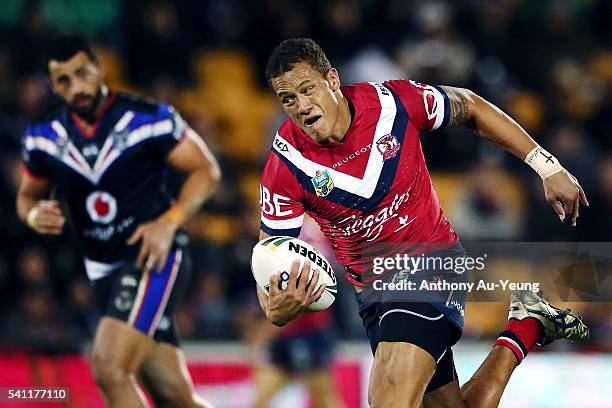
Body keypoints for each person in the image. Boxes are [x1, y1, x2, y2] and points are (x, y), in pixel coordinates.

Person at [255, 38, 590, 408]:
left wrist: (547, 166)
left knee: (389, 402)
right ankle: (527, 324)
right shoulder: (285, 166)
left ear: (332, 79)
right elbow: (270, 256)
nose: (302, 107)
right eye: (289, 100)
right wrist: (274, 308)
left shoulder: (392, 104)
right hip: (373, 294)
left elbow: (471, 107)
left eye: (308, 89)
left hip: (430, 261)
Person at [16, 34, 220, 408]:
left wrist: (169, 221)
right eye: (64, 80)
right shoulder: (43, 138)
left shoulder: (149, 118)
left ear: (100, 68)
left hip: (153, 257)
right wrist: (33, 214)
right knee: (173, 395)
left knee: (109, 368)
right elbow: (27, 196)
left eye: (83, 73)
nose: (77, 87)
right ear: (53, 85)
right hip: (102, 271)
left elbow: (206, 171)